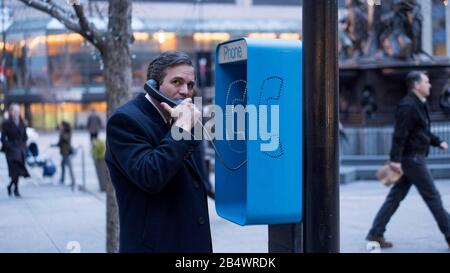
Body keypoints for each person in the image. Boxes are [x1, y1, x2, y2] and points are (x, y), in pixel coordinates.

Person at [105, 51, 212, 253]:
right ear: (154, 86)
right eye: (177, 82)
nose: (185, 91)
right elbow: (150, 174)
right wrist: (181, 128)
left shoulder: (181, 118)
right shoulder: (126, 121)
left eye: (190, 85)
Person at [366, 71, 450, 249]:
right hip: (412, 160)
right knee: (433, 197)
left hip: (412, 158)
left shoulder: (418, 104)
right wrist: (395, 160)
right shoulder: (408, 106)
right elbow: (400, 134)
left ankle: (375, 233)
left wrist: (438, 141)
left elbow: (421, 131)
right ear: (416, 85)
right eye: (426, 82)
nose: (430, 85)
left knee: (395, 197)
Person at [1, 103, 30, 197]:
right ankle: (16, 190)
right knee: (15, 169)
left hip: (20, 149)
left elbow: (25, 137)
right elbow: (3, 138)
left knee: (18, 170)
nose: (16, 112)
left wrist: (24, 146)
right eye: (14, 110)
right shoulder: (6, 123)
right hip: (11, 150)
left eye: (18, 110)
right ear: (11, 111)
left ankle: (11, 187)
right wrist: (8, 146)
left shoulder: (22, 122)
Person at [54, 121, 76, 191]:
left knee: (69, 167)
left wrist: (61, 132)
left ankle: (73, 182)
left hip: (66, 152)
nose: (60, 127)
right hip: (63, 152)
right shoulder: (63, 132)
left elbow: (65, 139)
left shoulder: (68, 132)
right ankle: (62, 179)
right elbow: (60, 142)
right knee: (62, 165)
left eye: (61, 126)